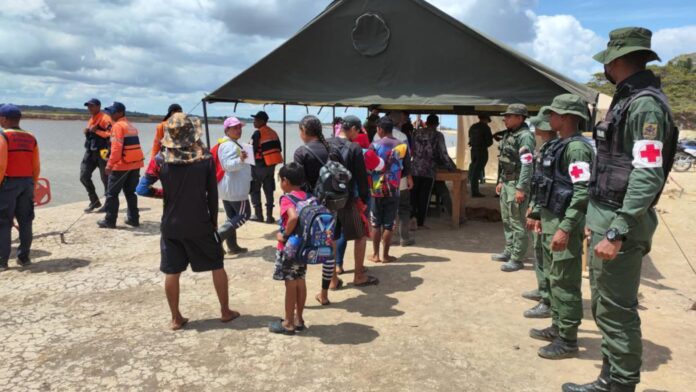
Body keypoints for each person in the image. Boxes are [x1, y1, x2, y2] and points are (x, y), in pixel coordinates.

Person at [563, 27, 678, 392]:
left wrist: (616, 230)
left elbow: (647, 175)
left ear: (614, 61)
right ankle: (609, 378)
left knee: (616, 309)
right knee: (605, 305)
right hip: (606, 215)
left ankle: (621, 383)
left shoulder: (645, 105)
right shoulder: (628, 100)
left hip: (620, 221)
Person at [140, 113, 239, 330]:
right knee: (217, 265)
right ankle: (225, 311)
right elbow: (212, 195)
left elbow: (142, 188)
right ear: (192, 134)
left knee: (172, 271)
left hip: (170, 224)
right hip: (200, 222)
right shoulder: (204, 159)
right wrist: (213, 222)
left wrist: (164, 195)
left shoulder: (160, 160)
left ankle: (176, 318)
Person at [527, 95, 594, 360]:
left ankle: (568, 340)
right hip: (552, 219)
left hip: (565, 223)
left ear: (565, 117)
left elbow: (581, 191)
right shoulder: (559, 145)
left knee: (565, 281)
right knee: (555, 279)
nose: (549, 118)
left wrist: (565, 228)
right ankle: (557, 326)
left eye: (553, 113)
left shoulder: (577, 150)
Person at [293, 115, 342, 305]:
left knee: (303, 245)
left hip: (308, 206)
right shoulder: (333, 149)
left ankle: (300, 293)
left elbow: (297, 184)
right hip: (331, 203)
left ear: (304, 131)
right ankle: (327, 290)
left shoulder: (301, 152)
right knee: (329, 245)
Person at [331, 115, 378, 287]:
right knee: (360, 235)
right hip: (351, 199)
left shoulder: (328, 143)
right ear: (352, 129)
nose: (358, 134)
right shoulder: (355, 148)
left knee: (333, 237)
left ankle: (332, 279)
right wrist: (365, 198)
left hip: (330, 199)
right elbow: (360, 177)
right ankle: (359, 275)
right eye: (357, 131)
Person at [521, 109, 557, 320]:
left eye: (539, 125)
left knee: (549, 257)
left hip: (550, 212)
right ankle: (543, 289)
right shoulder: (544, 148)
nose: (535, 128)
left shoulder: (558, 149)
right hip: (541, 209)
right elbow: (539, 182)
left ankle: (548, 299)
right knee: (539, 251)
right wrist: (534, 208)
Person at [492, 104, 536, 272]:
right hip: (507, 183)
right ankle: (509, 250)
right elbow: (505, 160)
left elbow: (527, 165)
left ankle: (517, 258)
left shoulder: (525, 137)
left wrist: (521, 188)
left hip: (517, 184)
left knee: (518, 222)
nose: (505, 119)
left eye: (509, 116)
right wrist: (502, 181)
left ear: (520, 118)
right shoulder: (510, 134)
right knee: (507, 220)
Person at [269, 163, 309, 334]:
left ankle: (288, 323)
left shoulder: (287, 198)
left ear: (285, 180)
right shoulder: (307, 196)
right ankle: (299, 319)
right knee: (300, 282)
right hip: (303, 248)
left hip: (290, 249)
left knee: (290, 284)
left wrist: (283, 235)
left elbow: (292, 217)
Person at [0, 104, 40, 271]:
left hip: (8, 184)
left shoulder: (3, 137)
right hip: (27, 183)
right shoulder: (31, 137)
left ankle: (2, 261)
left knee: (3, 223)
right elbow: (36, 165)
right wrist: (34, 184)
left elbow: (1, 165)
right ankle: (24, 257)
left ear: (4, 119)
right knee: (26, 221)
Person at [369, 116, 412, 263]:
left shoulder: (374, 146)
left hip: (376, 189)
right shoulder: (402, 146)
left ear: (380, 129)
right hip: (394, 188)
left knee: (375, 223)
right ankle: (386, 256)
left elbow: (368, 167)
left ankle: (375, 255)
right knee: (389, 223)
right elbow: (407, 169)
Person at [97, 102, 145, 229]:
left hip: (121, 166)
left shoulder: (118, 126)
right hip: (135, 164)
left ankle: (110, 221)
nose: (110, 114)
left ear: (120, 113)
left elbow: (116, 149)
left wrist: (109, 165)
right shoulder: (131, 126)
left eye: (112, 112)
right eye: (109, 112)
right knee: (130, 193)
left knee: (112, 194)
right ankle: (134, 219)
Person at [410, 114, 456, 228]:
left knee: (413, 195)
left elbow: (412, 149)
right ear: (437, 124)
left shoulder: (416, 133)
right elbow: (443, 153)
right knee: (424, 197)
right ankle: (420, 223)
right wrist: (450, 167)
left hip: (415, 168)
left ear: (426, 122)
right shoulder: (438, 135)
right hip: (428, 170)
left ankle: (412, 218)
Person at [215, 117, 252, 254]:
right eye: (235, 128)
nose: (238, 130)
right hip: (235, 189)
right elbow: (227, 166)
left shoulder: (230, 143)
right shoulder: (229, 145)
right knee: (244, 215)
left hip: (229, 188)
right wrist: (241, 159)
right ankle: (218, 236)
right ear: (227, 130)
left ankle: (232, 246)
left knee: (231, 217)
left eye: (239, 127)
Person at [249, 111, 283, 223]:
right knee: (269, 190)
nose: (254, 122)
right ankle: (269, 217)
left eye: (256, 120)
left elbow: (251, 150)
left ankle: (259, 216)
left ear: (262, 121)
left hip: (259, 166)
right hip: (271, 166)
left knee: (255, 189)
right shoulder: (273, 133)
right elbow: (279, 149)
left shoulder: (257, 133)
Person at [80, 98, 112, 212]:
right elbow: (91, 133)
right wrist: (87, 132)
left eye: (92, 106)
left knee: (106, 178)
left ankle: (109, 204)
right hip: (90, 151)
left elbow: (111, 134)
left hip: (103, 151)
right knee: (84, 175)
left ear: (98, 106)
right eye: (88, 106)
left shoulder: (105, 118)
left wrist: (96, 131)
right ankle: (94, 201)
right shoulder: (92, 118)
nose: (89, 108)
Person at [468, 115, 493, 197]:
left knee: (474, 170)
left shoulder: (473, 127)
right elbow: (489, 142)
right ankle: (474, 192)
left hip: (473, 150)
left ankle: (474, 189)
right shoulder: (485, 128)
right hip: (481, 151)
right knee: (477, 171)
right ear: (486, 119)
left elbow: (470, 140)